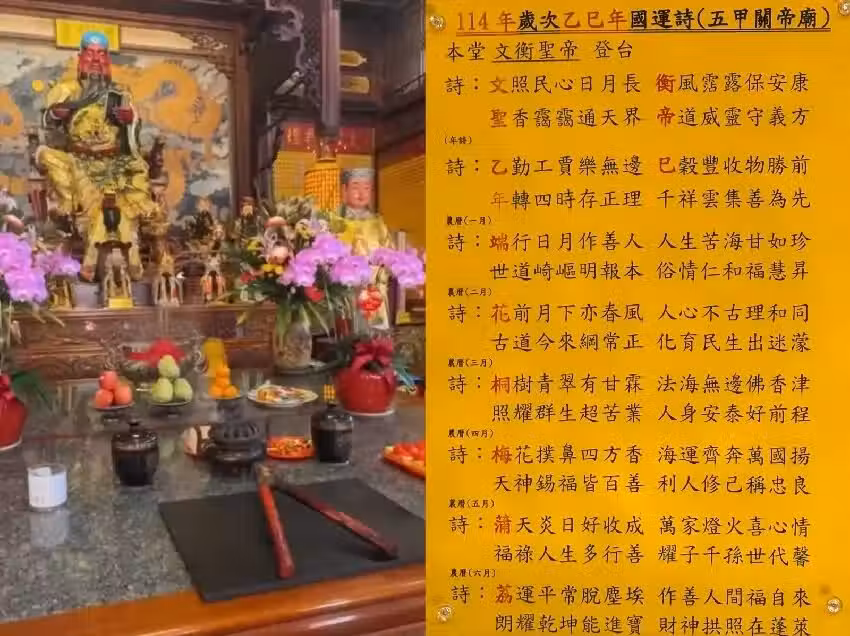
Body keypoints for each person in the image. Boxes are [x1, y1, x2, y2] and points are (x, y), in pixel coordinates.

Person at [35, 30, 162, 280]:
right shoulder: (65, 89)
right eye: (90, 54)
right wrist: (55, 115)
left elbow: (133, 134)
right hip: (78, 160)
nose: (95, 59)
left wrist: (129, 120)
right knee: (46, 155)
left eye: (101, 54)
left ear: (107, 60)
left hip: (115, 161)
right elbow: (47, 125)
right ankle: (70, 209)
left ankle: (127, 253)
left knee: (136, 176)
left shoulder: (120, 93)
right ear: (81, 57)